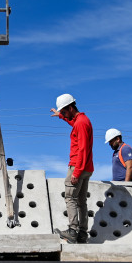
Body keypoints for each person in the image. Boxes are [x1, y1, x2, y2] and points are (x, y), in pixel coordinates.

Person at [50, 94, 93, 244]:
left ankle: (72, 231)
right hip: (87, 167)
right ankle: (82, 233)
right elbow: (74, 124)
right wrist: (61, 117)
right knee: (81, 201)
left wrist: (76, 172)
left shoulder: (80, 123)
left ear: (70, 107)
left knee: (70, 198)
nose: (63, 113)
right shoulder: (83, 120)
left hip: (78, 165)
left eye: (63, 111)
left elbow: (82, 149)